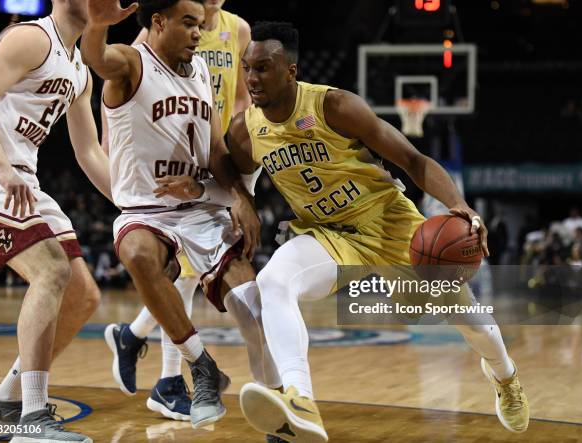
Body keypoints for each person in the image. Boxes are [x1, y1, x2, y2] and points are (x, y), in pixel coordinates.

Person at [225, 22, 529, 442]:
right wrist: (244, 201)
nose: (252, 78)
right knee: (273, 281)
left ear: (290, 71)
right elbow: (228, 171)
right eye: (247, 68)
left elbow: (412, 159)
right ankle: (301, 399)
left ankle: (505, 377)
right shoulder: (246, 129)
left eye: (263, 68)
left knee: (474, 323)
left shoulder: (335, 106)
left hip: (391, 224)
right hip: (328, 235)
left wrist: (456, 204)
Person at [81, 0, 279, 429]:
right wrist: (96, 26)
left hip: (202, 206)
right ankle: (201, 366)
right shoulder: (133, 63)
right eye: (188, 23)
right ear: (158, 21)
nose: (197, 32)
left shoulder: (201, 74)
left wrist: (242, 199)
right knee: (137, 252)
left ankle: (280, 418)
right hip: (147, 210)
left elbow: (214, 150)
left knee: (254, 311)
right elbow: (97, 58)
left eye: (201, 25)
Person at [0, 1, 112, 442]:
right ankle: (33, 419)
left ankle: (5, 404)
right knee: (51, 271)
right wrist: (0, 166)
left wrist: (136, 208)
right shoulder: (33, 37)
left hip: (23, 179)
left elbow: (89, 152)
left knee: (82, 296)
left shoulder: (79, 69)